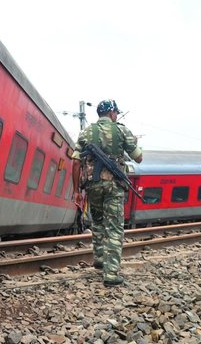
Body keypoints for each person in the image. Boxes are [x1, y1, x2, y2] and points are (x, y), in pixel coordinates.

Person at [72, 99, 143, 287]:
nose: (117, 116)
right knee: (114, 226)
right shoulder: (121, 130)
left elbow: (76, 162)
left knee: (97, 222)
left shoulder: (86, 132)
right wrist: (135, 143)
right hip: (113, 186)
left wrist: (76, 191)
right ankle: (111, 273)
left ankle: (100, 258)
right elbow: (139, 157)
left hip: (92, 185)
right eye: (116, 113)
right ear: (111, 113)